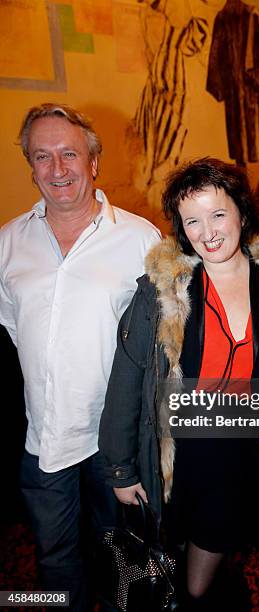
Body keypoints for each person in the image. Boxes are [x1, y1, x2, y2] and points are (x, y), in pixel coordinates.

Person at [99, 157, 259, 609]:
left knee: (217, 549)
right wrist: (119, 468)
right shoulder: (162, 293)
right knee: (184, 555)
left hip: (247, 449)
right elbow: (126, 378)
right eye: (191, 220)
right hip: (185, 450)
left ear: (241, 211)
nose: (207, 231)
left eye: (218, 214)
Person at [0, 103, 160, 611]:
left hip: (115, 447)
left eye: (70, 154)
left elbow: (161, 346)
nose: (57, 169)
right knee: (53, 564)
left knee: (122, 563)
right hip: (43, 440)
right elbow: (12, 326)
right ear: (31, 167)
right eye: (42, 157)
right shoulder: (7, 242)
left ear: (94, 162)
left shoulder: (141, 239)